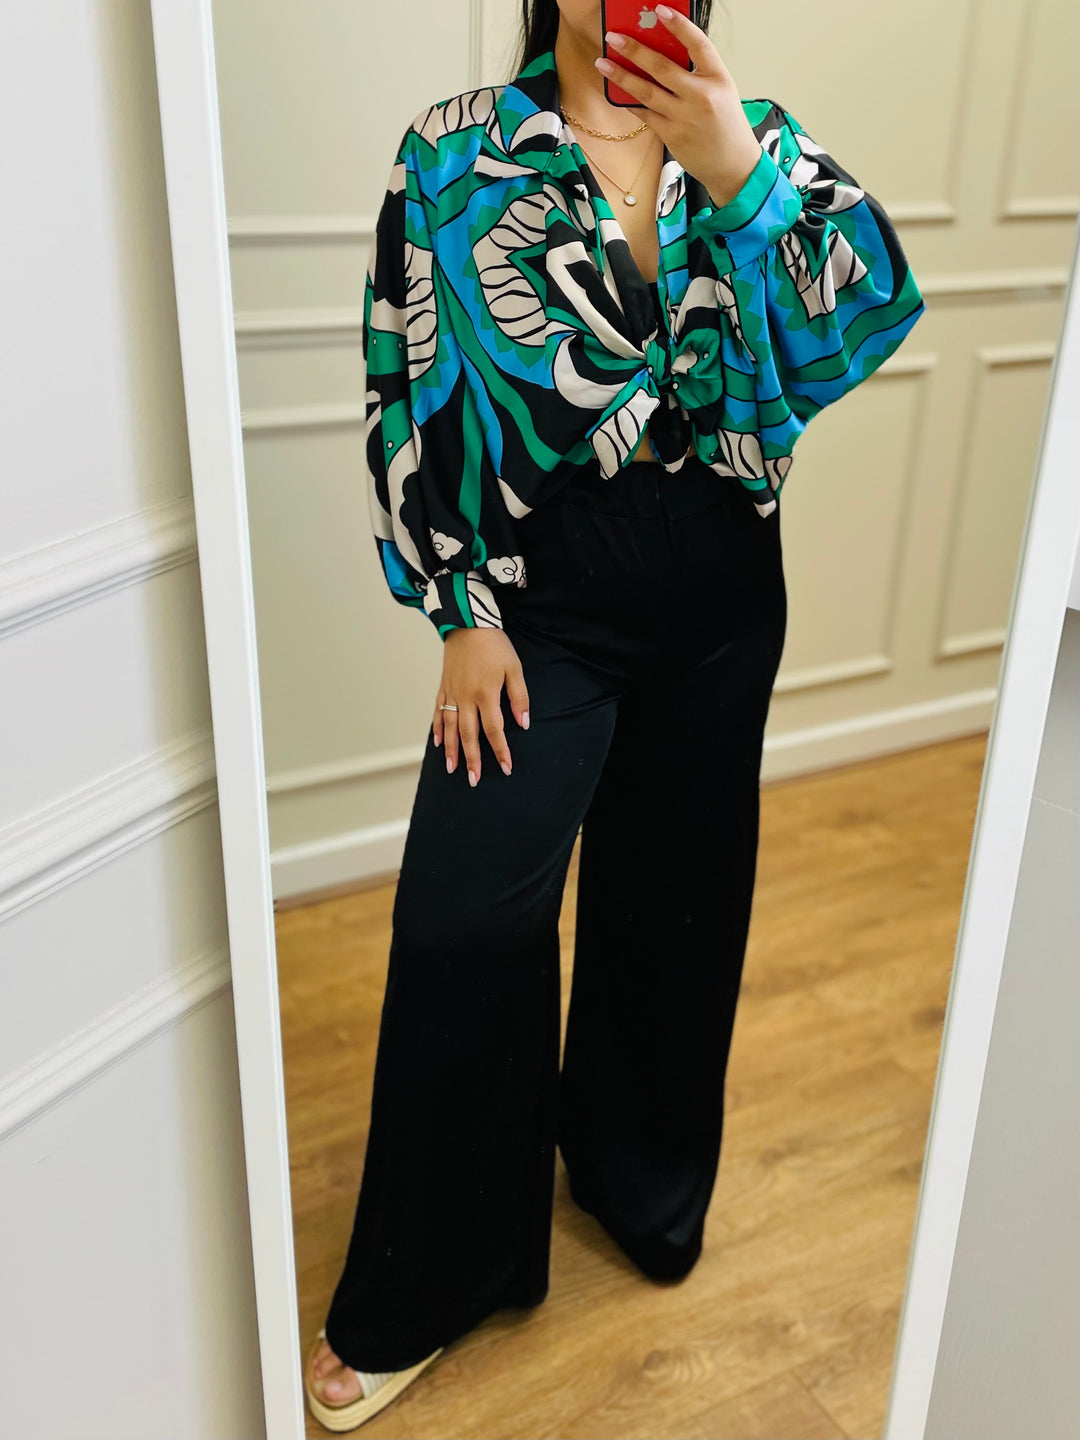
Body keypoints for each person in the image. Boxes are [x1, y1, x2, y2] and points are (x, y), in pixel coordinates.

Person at [305, 0, 925, 1428]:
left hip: (721, 587)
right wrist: (460, 610)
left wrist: (737, 172)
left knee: (680, 899)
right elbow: (404, 383)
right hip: (543, 601)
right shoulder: (456, 151)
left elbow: (865, 317)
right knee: (465, 918)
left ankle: (635, 1179)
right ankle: (429, 1279)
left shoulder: (753, 139)